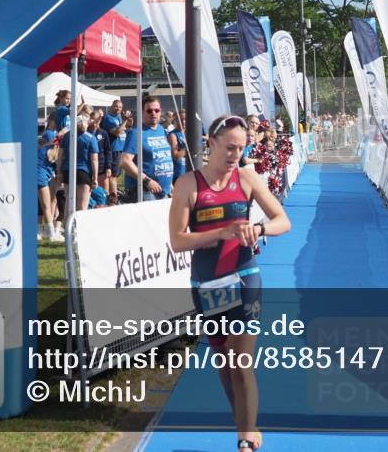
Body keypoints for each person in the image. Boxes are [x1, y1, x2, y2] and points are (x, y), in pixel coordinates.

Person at [168, 115, 291, 452]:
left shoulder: (248, 178)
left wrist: (260, 229)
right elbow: (177, 241)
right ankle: (244, 423)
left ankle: (246, 438)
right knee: (223, 358)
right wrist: (220, 233)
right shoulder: (188, 185)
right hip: (207, 283)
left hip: (244, 276)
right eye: (230, 147)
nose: (237, 154)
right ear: (211, 143)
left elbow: (283, 221)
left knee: (241, 360)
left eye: (242, 147)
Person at [121, 95, 173, 201]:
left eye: (156, 110)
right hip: (144, 190)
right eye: (149, 111)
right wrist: (147, 181)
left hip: (164, 190)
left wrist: (169, 184)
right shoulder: (136, 132)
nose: (153, 113)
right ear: (142, 112)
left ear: (160, 112)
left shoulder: (161, 129)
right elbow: (125, 161)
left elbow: (163, 157)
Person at [57, 117, 99, 212]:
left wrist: (59, 172)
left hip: (68, 170)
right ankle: (79, 226)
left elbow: (60, 156)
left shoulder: (67, 136)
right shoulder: (91, 138)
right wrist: (95, 178)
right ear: (87, 124)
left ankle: (67, 225)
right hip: (83, 172)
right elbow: (94, 160)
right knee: (82, 206)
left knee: (69, 203)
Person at [101, 100, 128, 205]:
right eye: (116, 106)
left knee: (116, 175)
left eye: (120, 107)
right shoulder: (109, 118)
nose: (118, 109)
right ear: (112, 106)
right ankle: (113, 200)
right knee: (112, 176)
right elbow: (116, 132)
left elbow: (127, 127)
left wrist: (127, 120)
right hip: (113, 150)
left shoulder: (119, 118)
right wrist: (124, 122)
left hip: (120, 149)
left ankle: (114, 196)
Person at [168, 111, 188, 190]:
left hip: (190, 172)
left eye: (185, 119)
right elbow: (176, 156)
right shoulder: (173, 134)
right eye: (181, 119)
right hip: (178, 174)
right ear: (175, 120)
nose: (183, 122)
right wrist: (187, 147)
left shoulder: (190, 133)